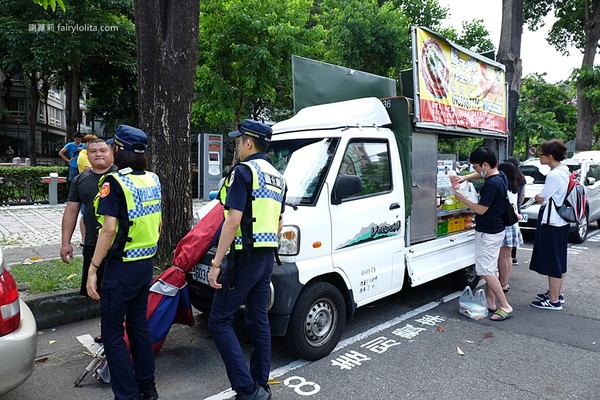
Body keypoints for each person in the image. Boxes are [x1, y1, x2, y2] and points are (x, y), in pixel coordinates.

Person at [207, 119, 286, 400]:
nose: (237, 145)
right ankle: (260, 383)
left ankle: (247, 390)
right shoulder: (278, 177)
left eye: (238, 141)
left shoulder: (243, 172)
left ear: (248, 142)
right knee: (258, 318)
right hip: (266, 256)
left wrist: (216, 263)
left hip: (244, 256)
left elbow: (232, 221)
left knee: (218, 321)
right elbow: (278, 222)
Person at [86, 125, 161, 400]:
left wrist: (93, 268)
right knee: (139, 327)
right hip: (144, 266)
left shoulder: (114, 183)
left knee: (113, 334)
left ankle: (127, 395)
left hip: (121, 267)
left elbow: (107, 229)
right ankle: (147, 389)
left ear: (119, 150)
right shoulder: (153, 179)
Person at [60, 139, 117, 342]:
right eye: (93, 151)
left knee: (118, 292)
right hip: (93, 244)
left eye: (103, 150)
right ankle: (108, 330)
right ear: (87, 155)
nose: (98, 154)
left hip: (120, 246)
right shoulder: (80, 179)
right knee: (98, 291)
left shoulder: (121, 177)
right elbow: (72, 210)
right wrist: (65, 242)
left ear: (112, 153)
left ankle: (120, 331)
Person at [452, 147, 513, 321]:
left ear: (485, 164)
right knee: (491, 267)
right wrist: (464, 177)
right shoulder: (500, 176)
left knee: (485, 270)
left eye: (476, 167)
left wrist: (463, 199)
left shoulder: (491, 185)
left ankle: (505, 305)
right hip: (497, 230)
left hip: (487, 232)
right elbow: (481, 175)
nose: (476, 171)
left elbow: (481, 210)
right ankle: (491, 301)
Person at [529, 139, 569, 310]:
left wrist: (539, 197)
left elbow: (543, 197)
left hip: (552, 221)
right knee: (560, 259)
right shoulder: (564, 171)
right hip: (562, 220)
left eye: (542, 154)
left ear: (550, 156)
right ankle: (557, 293)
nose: (539, 156)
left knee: (553, 261)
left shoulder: (554, 175)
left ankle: (553, 301)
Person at [497, 162, 524, 292]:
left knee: (502, 256)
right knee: (508, 256)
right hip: (513, 223)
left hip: (506, 223)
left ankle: (502, 283)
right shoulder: (514, 187)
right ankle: (505, 282)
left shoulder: (503, 187)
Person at [506, 157, 527, 265]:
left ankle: (508, 256)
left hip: (508, 207)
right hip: (516, 206)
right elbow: (523, 194)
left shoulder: (506, 177)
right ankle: (513, 256)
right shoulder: (521, 178)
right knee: (514, 231)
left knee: (508, 233)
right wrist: (519, 204)